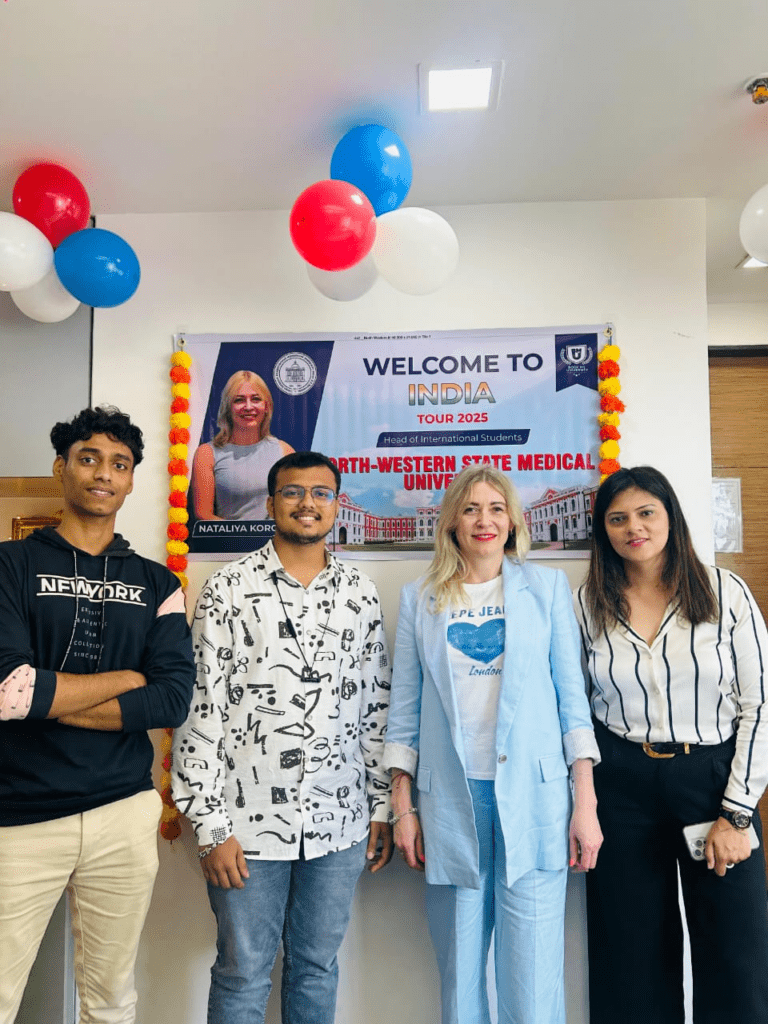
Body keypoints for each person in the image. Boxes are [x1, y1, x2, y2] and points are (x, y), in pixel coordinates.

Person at [172, 450, 393, 1024]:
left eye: (321, 493)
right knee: (242, 971)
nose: (307, 503)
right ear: (270, 504)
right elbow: (201, 708)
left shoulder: (360, 592)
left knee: (317, 967)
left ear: (337, 505)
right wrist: (210, 825)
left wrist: (380, 806)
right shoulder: (228, 588)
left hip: (339, 821)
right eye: (293, 492)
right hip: (245, 825)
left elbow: (374, 706)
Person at [384, 464, 602, 1024]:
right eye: (471, 508)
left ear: (512, 522)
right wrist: (402, 806)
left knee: (532, 969)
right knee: (461, 967)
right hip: (451, 800)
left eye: (497, 508)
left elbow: (572, 703)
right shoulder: (420, 598)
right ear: (452, 522)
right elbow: (404, 710)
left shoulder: (547, 589)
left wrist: (585, 803)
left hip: (536, 797)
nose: (485, 520)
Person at [0, 406, 195, 1024]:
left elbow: (172, 699)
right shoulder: (9, 566)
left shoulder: (158, 583)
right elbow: (10, 694)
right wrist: (127, 681)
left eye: (119, 463)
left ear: (132, 479)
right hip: (19, 815)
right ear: (61, 468)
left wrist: (53, 700)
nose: (103, 473)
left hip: (121, 811)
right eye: (88, 458)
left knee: (111, 1001)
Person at [573, 465, 768, 1024]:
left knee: (734, 949)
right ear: (603, 530)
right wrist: (584, 800)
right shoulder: (588, 603)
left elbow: (759, 706)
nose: (633, 528)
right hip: (621, 783)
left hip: (711, 779)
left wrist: (737, 813)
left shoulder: (725, 591)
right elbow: (575, 707)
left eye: (646, 513)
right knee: (628, 952)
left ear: (670, 516)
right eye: (617, 519)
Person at [191, 369, 294, 521]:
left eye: (256, 399)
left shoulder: (284, 451)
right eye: (239, 400)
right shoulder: (206, 454)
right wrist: (244, 533)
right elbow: (204, 515)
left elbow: (293, 508)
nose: (248, 407)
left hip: (276, 537)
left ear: (266, 406)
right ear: (228, 407)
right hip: (228, 537)